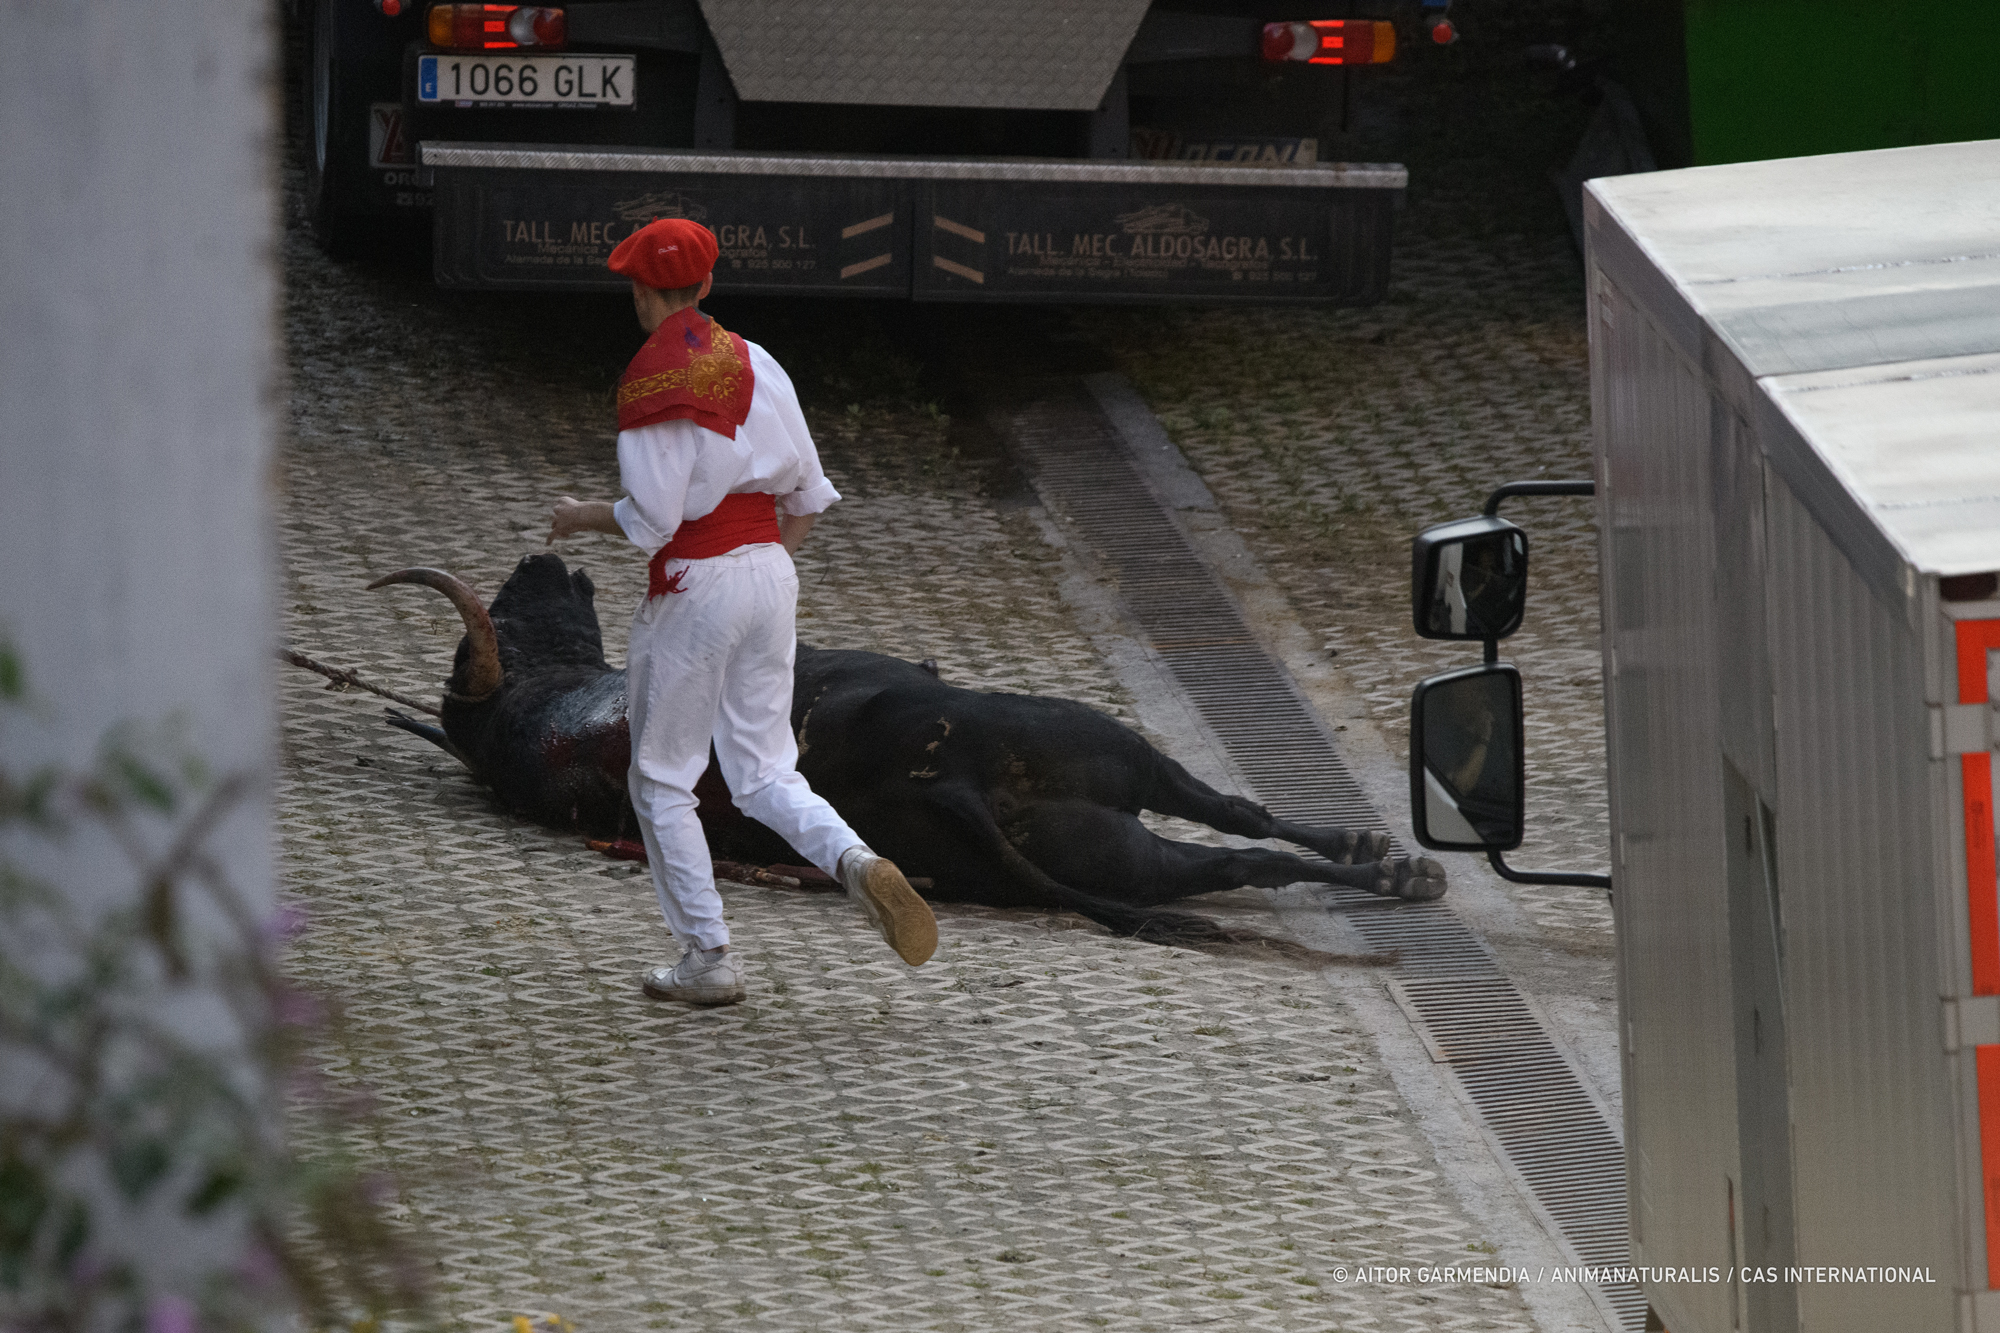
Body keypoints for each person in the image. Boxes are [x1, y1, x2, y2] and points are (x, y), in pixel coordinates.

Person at [546, 217, 937, 1005]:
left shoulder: (654, 383)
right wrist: (759, 574)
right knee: (763, 771)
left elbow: (651, 521)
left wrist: (581, 513)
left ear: (640, 294)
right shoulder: (758, 362)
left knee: (661, 779)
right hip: (768, 572)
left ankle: (708, 954)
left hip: (697, 584)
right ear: (709, 286)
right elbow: (810, 496)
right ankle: (856, 859)